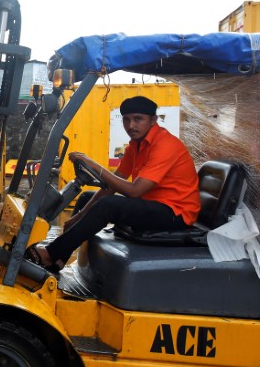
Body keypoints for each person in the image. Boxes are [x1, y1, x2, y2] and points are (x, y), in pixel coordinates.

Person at [27, 96, 200, 272]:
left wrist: (94, 165)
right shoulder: (136, 145)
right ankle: (58, 259)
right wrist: (77, 217)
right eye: (126, 119)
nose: (131, 125)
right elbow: (113, 184)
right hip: (154, 205)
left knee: (108, 205)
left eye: (138, 119)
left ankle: (49, 253)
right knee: (87, 198)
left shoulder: (165, 145)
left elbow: (134, 191)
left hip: (176, 213)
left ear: (153, 120)